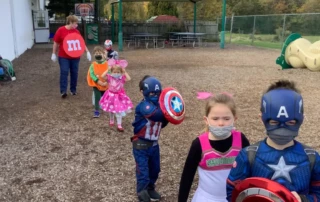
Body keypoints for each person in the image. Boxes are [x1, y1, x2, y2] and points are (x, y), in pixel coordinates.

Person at [226, 80, 320, 202]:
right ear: (262, 118)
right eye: (274, 122)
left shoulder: (312, 158)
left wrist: (302, 200)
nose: (282, 129)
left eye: (290, 123)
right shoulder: (247, 156)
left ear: (302, 119)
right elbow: (232, 193)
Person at [178, 93, 250, 202]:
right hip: (206, 198)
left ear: (234, 119)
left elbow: (251, 169)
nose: (221, 123)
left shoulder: (241, 140)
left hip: (235, 198)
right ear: (206, 120)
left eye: (226, 118)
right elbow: (187, 177)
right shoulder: (199, 144)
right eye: (215, 118)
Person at [131, 75, 170, 202]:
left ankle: (150, 188)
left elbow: (163, 123)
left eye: (157, 93)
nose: (155, 95)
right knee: (143, 170)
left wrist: (170, 113)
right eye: (152, 92)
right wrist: (168, 112)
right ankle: (142, 192)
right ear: (144, 92)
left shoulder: (160, 106)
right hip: (141, 144)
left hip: (154, 144)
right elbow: (156, 115)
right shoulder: (144, 106)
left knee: (155, 169)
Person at [51, 15, 91, 98]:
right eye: (75, 24)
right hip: (63, 56)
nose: (76, 25)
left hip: (75, 56)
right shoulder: (61, 30)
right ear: (70, 22)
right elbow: (56, 42)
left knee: (74, 73)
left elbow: (81, 42)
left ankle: (73, 90)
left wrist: (87, 51)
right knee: (64, 72)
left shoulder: (76, 32)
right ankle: (63, 91)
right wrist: (53, 53)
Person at [99, 60, 132, 131]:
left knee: (118, 110)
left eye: (118, 72)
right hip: (110, 96)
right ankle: (111, 120)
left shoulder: (122, 79)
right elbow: (102, 76)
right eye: (114, 72)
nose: (116, 73)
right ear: (111, 72)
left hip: (119, 97)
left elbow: (129, 78)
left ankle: (119, 125)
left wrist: (124, 71)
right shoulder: (110, 78)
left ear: (121, 73)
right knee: (111, 110)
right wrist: (107, 70)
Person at [87, 46, 108, 118]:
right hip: (96, 85)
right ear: (94, 55)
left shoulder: (107, 64)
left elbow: (110, 73)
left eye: (99, 53)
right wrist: (97, 81)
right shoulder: (93, 65)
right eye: (96, 53)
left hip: (106, 84)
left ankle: (108, 108)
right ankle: (96, 110)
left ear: (103, 54)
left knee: (107, 97)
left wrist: (107, 81)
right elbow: (91, 74)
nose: (98, 54)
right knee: (97, 97)